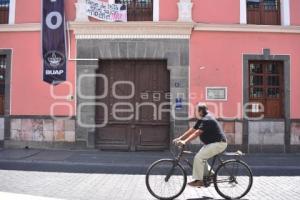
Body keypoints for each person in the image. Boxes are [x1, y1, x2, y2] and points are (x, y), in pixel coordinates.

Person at [173, 103, 227, 187]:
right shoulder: (203, 118)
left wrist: (185, 141)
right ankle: (211, 175)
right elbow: (192, 130)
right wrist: (180, 138)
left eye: (196, 110)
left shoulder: (207, 119)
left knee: (199, 157)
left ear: (201, 111)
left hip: (219, 143)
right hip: (213, 143)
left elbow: (197, 133)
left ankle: (199, 181)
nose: (195, 112)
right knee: (201, 158)